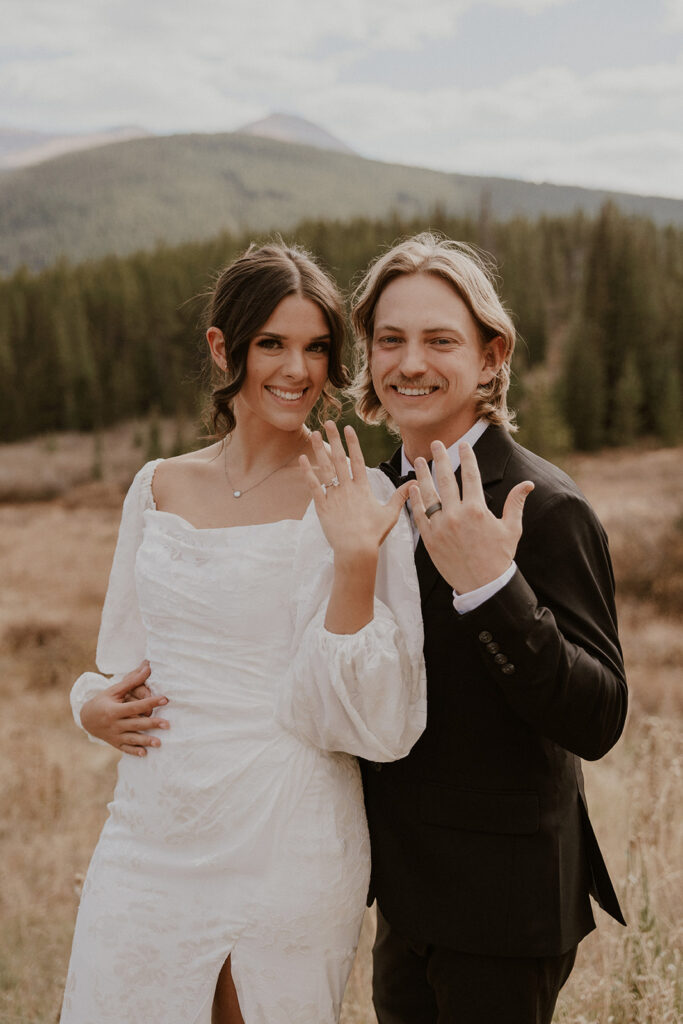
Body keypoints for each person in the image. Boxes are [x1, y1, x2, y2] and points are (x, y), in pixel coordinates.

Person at [61, 241, 426, 1024]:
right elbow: (115, 663)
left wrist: (356, 559)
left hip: (288, 830)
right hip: (151, 831)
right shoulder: (155, 485)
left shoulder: (357, 493)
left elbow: (381, 715)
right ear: (223, 348)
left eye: (316, 347)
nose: (297, 369)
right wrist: (86, 706)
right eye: (272, 343)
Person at [351, 232, 628, 1024]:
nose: (410, 362)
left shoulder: (544, 504)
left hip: (503, 908)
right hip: (403, 897)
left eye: (440, 340)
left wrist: (491, 586)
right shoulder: (372, 497)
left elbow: (599, 716)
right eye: (390, 339)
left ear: (490, 354)